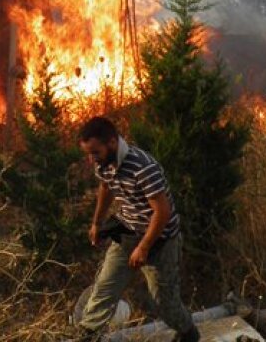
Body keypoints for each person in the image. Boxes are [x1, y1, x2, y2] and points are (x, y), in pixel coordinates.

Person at [75, 116, 198, 342]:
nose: (92, 159)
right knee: (103, 289)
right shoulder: (104, 165)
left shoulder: (143, 167)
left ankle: (188, 333)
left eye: (95, 152)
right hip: (128, 232)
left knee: (164, 303)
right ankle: (87, 336)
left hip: (160, 239)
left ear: (112, 143)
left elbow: (162, 212)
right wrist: (96, 223)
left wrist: (144, 247)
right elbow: (106, 187)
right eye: (88, 154)